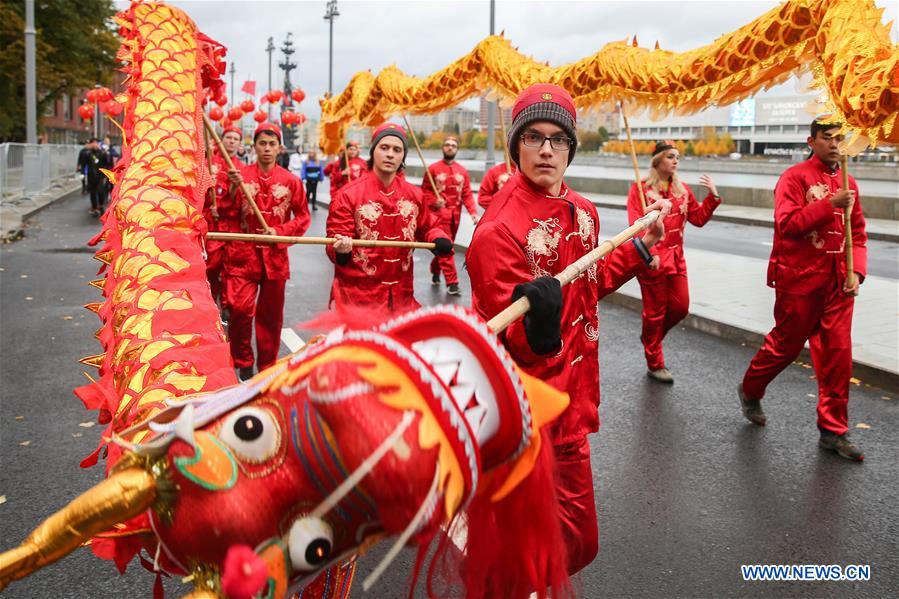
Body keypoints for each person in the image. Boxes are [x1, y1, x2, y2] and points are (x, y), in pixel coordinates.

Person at [466, 83, 670, 575]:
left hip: (576, 396)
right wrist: (537, 324)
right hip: (529, 411)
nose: (547, 149)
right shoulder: (496, 231)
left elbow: (588, 284)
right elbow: (511, 336)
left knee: (573, 542)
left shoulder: (585, 211)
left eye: (559, 139)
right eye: (534, 137)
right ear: (516, 145)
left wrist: (642, 245)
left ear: (571, 149)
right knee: (548, 541)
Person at [738, 117, 868, 461]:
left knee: (838, 358)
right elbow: (788, 224)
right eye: (828, 138)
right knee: (784, 346)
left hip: (839, 284)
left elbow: (859, 233)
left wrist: (857, 271)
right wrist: (830, 205)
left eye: (841, 138)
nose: (836, 144)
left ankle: (833, 431)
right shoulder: (794, 178)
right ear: (811, 141)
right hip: (800, 281)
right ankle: (750, 389)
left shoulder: (848, 181)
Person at [325, 123, 453, 313]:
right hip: (357, 297)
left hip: (402, 295)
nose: (390, 154)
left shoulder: (414, 194)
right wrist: (341, 250)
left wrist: (438, 237)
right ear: (373, 151)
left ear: (403, 156)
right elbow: (333, 242)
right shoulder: (347, 195)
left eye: (397, 149)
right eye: (384, 148)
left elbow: (428, 226)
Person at [626, 141, 722, 383]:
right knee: (655, 313)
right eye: (670, 156)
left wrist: (713, 196)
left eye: (678, 157)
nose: (676, 161)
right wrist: (650, 253)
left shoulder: (683, 190)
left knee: (681, 307)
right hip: (653, 260)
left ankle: (651, 339)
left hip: (677, 259)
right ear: (657, 160)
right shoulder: (640, 190)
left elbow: (698, 219)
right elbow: (636, 225)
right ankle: (655, 363)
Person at [225, 123, 311, 380]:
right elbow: (227, 214)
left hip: (275, 257)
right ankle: (242, 361)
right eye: (262, 143)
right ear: (254, 146)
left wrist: (281, 231)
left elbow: (303, 216)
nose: (266, 149)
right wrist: (231, 189)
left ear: (279, 147)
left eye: (272, 144)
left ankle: (266, 367)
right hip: (243, 255)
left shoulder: (291, 181)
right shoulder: (240, 175)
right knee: (239, 310)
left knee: (271, 318)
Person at [420, 135, 479, 295]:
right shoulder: (432, 169)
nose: (450, 147)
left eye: (453, 145)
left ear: (457, 149)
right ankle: (452, 283)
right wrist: (433, 200)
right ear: (442, 148)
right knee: (447, 246)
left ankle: (435, 270)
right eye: (447, 144)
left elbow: (466, 194)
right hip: (438, 216)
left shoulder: (462, 171)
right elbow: (424, 191)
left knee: (445, 247)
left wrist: (473, 213)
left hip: (455, 217)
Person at [204, 125, 243, 314]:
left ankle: (228, 305)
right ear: (221, 139)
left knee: (232, 269)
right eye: (229, 137)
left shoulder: (242, 169)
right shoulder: (209, 163)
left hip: (233, 227)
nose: (232, 141)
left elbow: (244, 202)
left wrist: (235, 189)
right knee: (211, 267)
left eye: (236, 139)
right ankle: (209, 304)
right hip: (212, 225)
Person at [83, 138, 112, 217]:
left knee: (100, 191)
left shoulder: (102, 153)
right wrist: (83, 172)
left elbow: (107, 163)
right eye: (93, 143)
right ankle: (95, 207)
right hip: (91, 176)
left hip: (100, 176)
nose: (95, 144)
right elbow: (84, 162)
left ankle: (101, 205)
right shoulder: (88, 154)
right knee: (92, 192)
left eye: (96, 143)